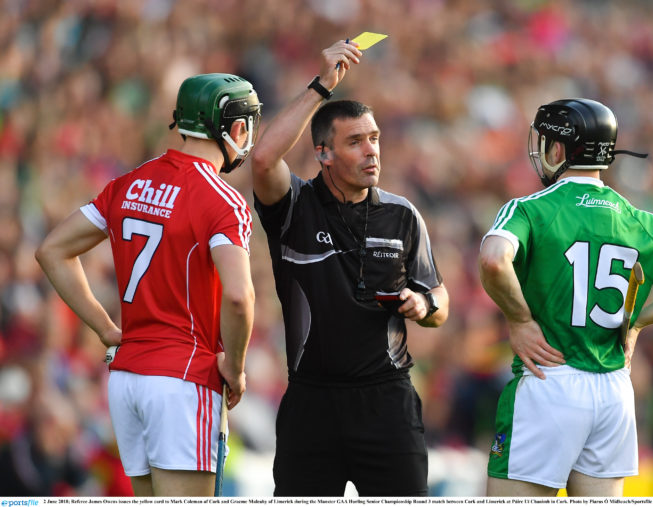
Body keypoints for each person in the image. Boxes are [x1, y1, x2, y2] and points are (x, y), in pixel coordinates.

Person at [478, 98, 653, 497]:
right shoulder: (643, 221)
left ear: (559, 149)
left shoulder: (530, 209)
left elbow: (493, 261)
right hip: (614, 389)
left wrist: (520, 320)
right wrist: (639, 321)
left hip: (549, 379)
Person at [35, 73, 260, 496]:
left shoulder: (129, 182)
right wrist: (236, 366)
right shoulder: (222, 198)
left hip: (126, 381)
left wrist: (105, 328)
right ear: (235, 128)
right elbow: (238, 295)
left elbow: (52, 249)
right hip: (183, 379)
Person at [249, 40, 449, 496]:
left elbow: (441, 302)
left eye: (374, 138)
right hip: (311, 404)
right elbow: (262, 159)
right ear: (323, 153)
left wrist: (425, 303)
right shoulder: (294, 207)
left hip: (387, 402)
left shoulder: (403, 215)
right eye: (355, 142)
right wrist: (322, 86)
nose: (371, 151)